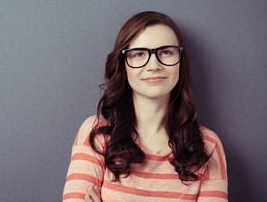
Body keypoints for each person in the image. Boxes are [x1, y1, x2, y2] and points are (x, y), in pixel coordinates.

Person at [62, 11, 228, 201]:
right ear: (123, 65)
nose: (154, 65)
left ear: (181, 62)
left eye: (166, 52)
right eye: (139, 54)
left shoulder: (208, 147)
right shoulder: (96, 134)